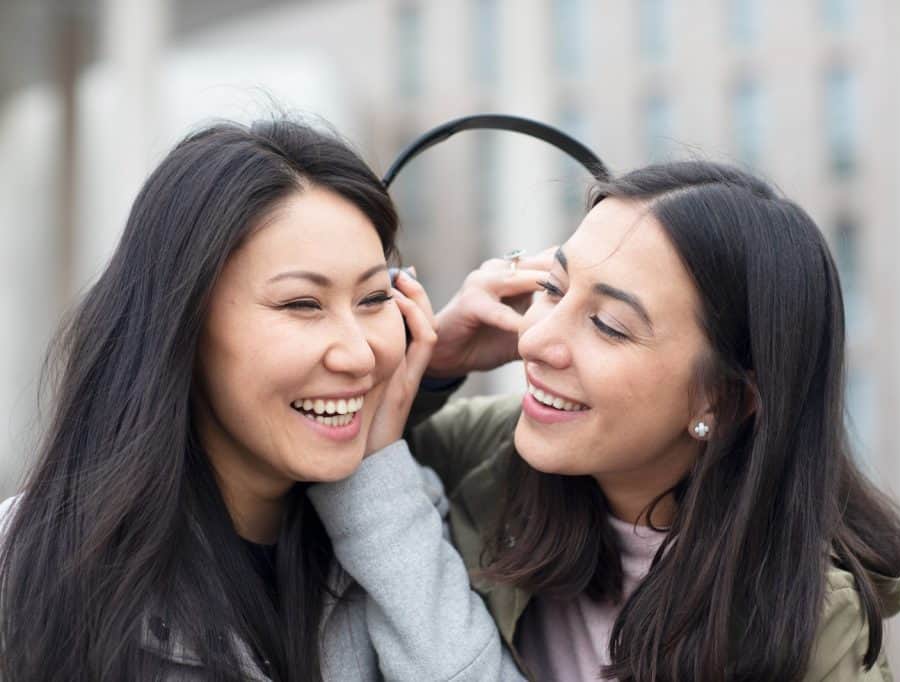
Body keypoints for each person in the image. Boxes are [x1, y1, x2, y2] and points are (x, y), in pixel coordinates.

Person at [0, 119, 523, 681]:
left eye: (374, 298)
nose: (359, 355)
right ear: (183, 326)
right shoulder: (24, 565)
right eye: (302, 304)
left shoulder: (404, 515)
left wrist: (382, 489)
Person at [406, 161, 900, 682]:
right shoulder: (495, 459)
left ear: (723, 399)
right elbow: (348, 467)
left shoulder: (812, 628)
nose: (533, 340)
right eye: (554, 288)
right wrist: (435, 364)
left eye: (609, 326)